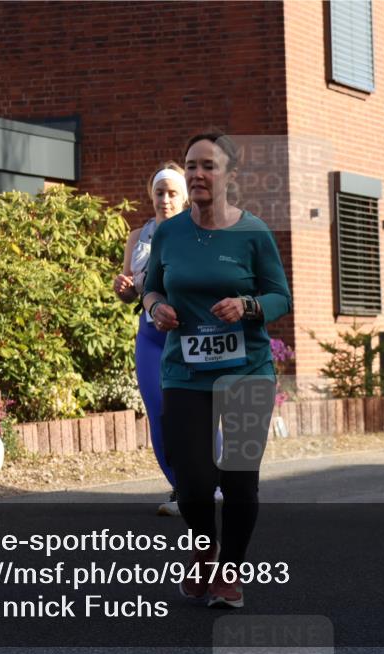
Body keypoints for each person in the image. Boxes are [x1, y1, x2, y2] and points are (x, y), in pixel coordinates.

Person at [142, 130, 292, 608]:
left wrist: (248, 305)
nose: (198, 174)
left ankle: (229, 570)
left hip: (247, 369)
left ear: (229, 175)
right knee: (194, 482)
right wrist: (154, 308)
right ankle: (204, 553)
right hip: (185, 370)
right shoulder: (168, 232)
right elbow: (151, 288)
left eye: (208, 165)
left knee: (239, 478)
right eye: (191, 165)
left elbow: (280, 298)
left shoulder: (253, 233)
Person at [113, 162, 189, 516]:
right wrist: (124, 288)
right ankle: (180, 487)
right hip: (149, 336)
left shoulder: (196, 233)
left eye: (173, 193)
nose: (165, 200)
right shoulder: (137, 236)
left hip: (186, 336)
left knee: (193, 412)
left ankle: (212, 483)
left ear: (185, 197)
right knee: (158, 413)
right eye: (160, 193)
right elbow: (130, 293)